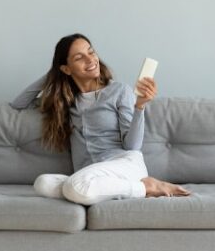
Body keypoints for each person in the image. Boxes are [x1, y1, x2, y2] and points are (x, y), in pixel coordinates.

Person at [10, 33, 190, 205]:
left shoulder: (119, 91)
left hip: (123, 165)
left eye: (91, 52)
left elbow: (133, 146)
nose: (90, 60)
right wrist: (54, 74)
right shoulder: (65, 100)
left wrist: (140, 106)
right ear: (66, 68)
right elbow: (19, 103)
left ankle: (145, 187)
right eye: (79, 58)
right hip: (90, 176)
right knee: (42, 183)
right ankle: (98, 191)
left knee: (75, 186)